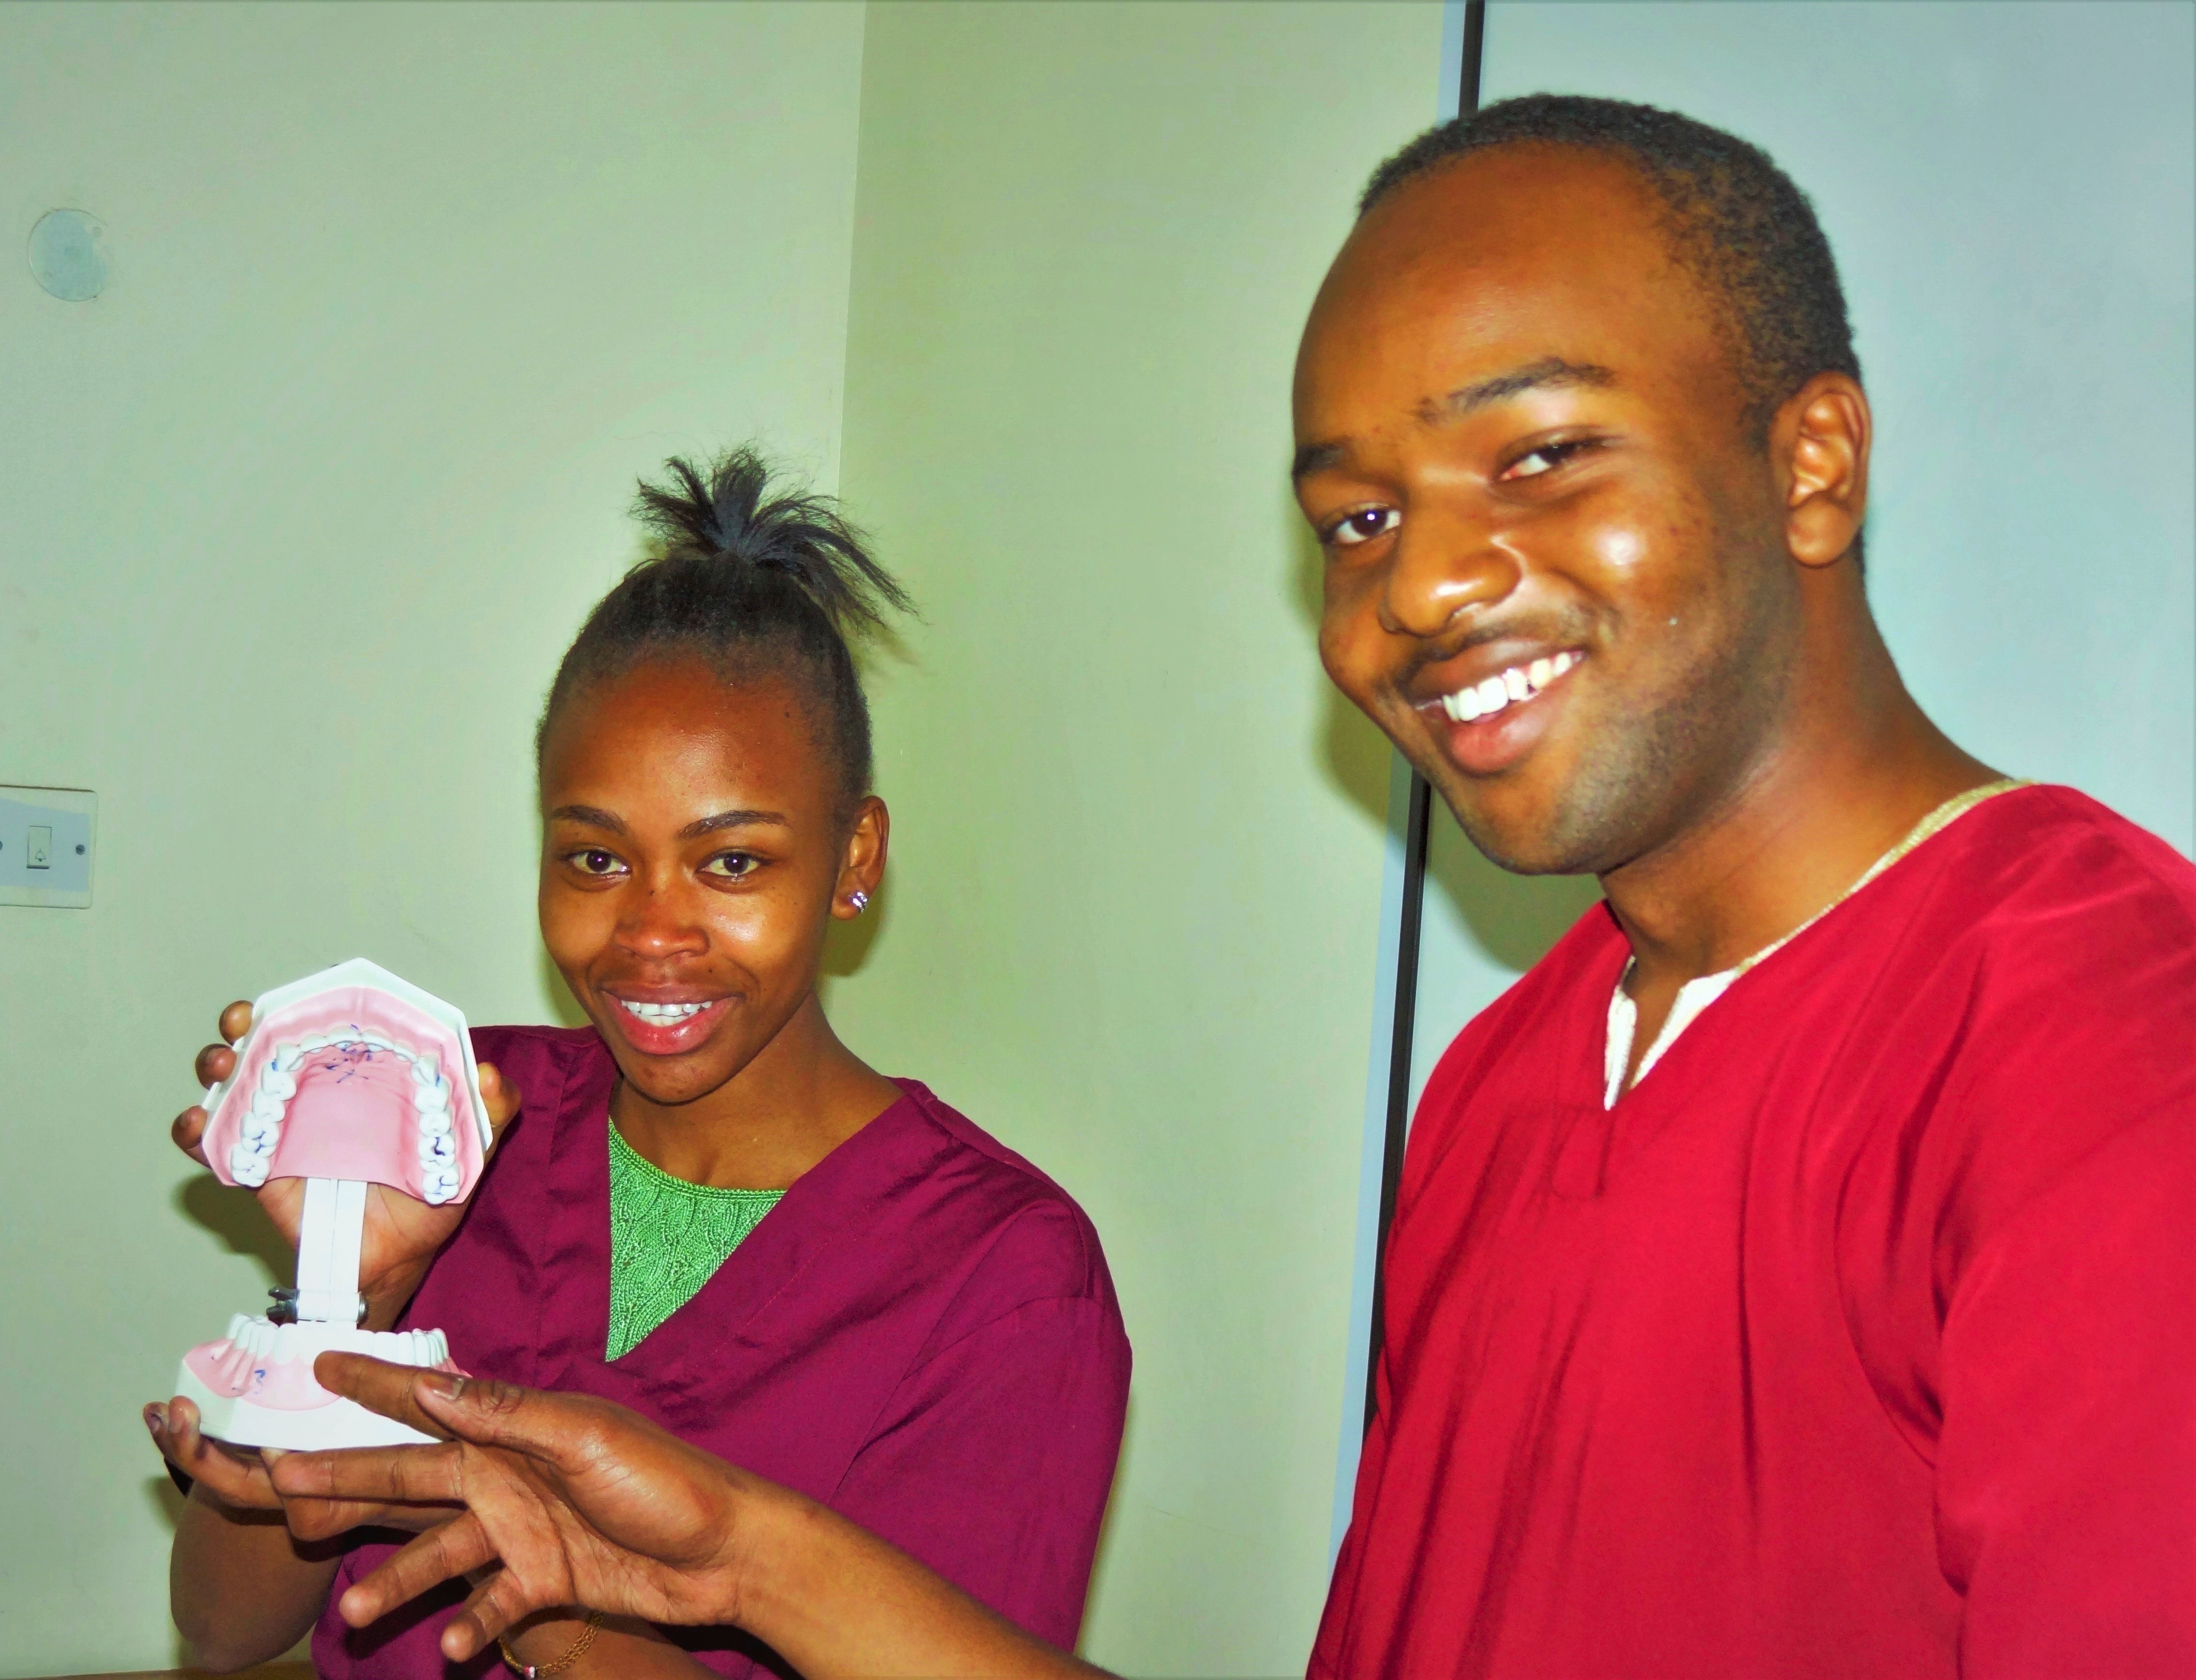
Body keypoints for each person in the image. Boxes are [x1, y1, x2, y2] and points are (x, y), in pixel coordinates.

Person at [266, 92, 2194, 1678]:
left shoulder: (2100, 1048)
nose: (1419, 588)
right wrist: (748, 1559)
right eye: (1359, 516)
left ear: (1813, 462)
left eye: (1534, 453)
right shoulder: (1508, 1088)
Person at [142, 450, 1131, 1678]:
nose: (651, 936)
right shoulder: (455, 1125)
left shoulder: (1006, 1280)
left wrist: (542, 1590)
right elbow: (223, 1629)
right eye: (596, 860)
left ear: (854, 855)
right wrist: (352, 1290)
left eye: (732, 863)